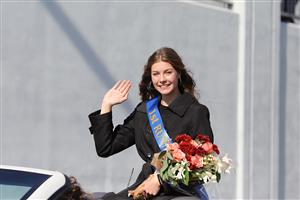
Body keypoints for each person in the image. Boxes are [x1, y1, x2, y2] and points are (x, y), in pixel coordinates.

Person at [88, 47, 214, 200]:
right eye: (156, 74)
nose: (162, 79)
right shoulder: (145, 112)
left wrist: (160, 180)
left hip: (179, 193)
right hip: (143, 188)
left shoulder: (195, 112)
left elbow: (204, 163)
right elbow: (106, 148)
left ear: (178, 74)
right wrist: (106, 105)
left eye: (168, 72)